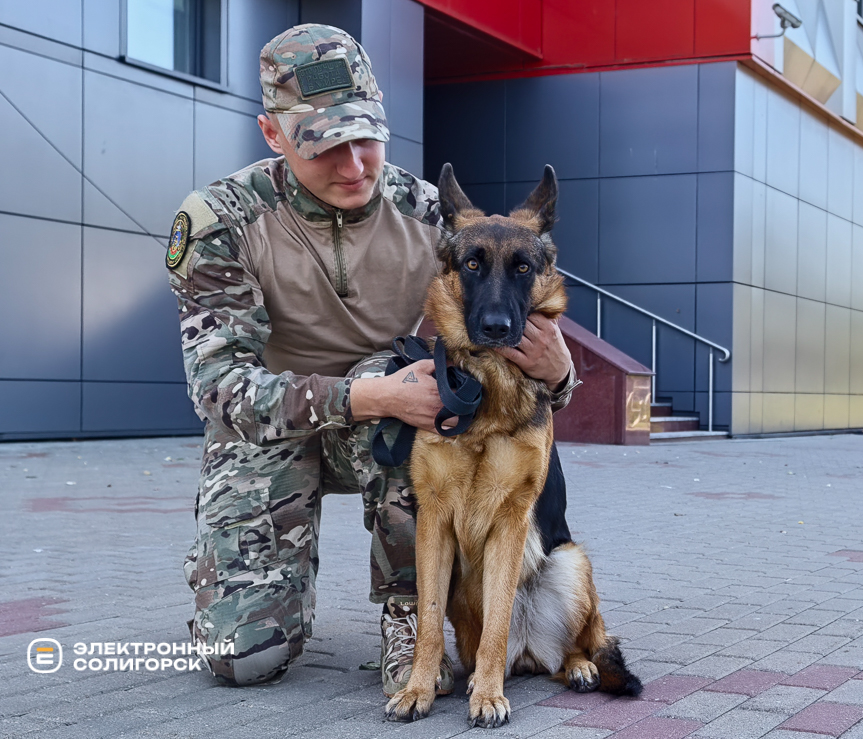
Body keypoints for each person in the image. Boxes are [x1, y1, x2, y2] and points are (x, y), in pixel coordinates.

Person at [166, 24, 579, 690]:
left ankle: (411, 618)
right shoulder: (222, 220)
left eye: (365, 137)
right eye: (325, 145)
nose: (355, 165)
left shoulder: (429, 216)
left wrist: (559, 374)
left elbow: (506, 326)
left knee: (420, 408)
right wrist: (366, 396)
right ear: (273, 134)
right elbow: (219, 391)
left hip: (394, 427)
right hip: (270, 436)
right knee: (242, 659)